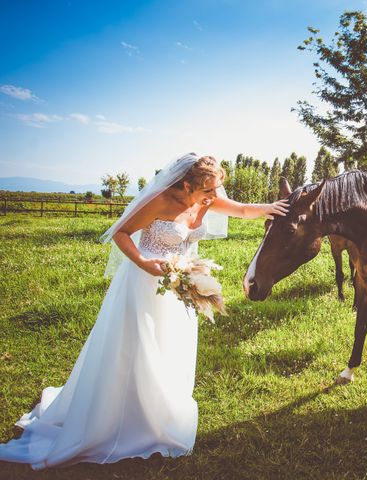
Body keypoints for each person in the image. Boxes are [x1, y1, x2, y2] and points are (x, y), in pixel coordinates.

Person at [0, 153, 288, 470]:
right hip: (145, 282)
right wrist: (143, 263)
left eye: (216, 189)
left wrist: (271, 209)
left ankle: (160, 416)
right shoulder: (161, 200)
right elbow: (120, 233)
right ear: (187, 184)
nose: (214, 197)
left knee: (171, 348)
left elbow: (242, 210)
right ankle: (120, 418)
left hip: (180, 284)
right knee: (138, 348)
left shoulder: (207, 199)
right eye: (208, 190)